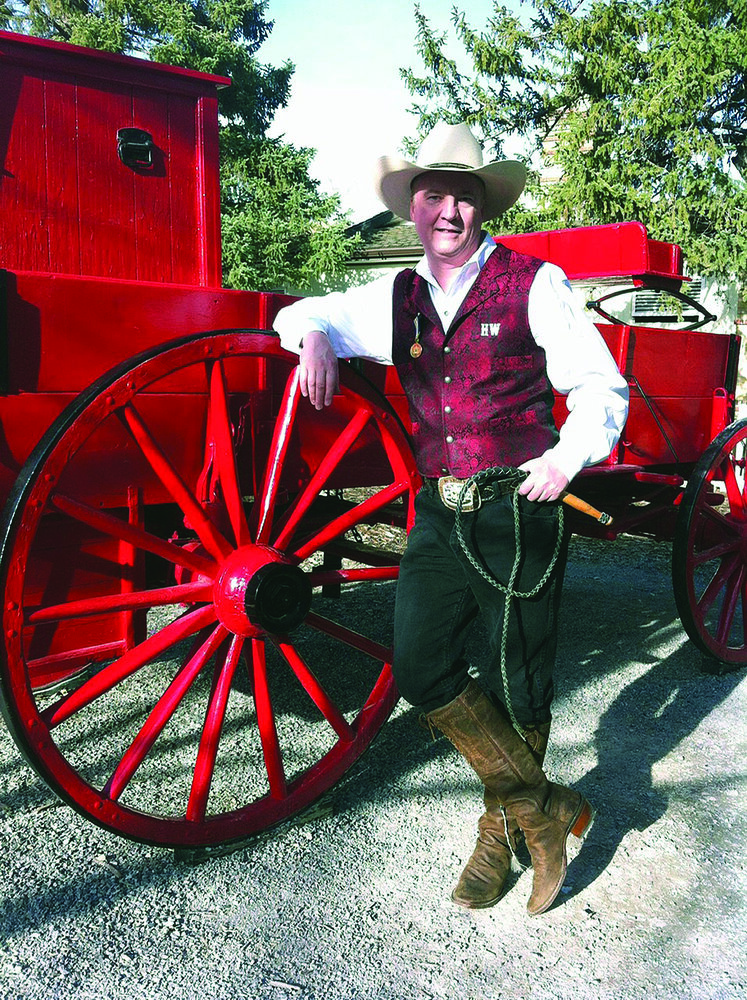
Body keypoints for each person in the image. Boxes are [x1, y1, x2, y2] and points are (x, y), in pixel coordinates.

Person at [273, 121, 628, 916]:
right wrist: (314, 337)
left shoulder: (532, 281)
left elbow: (600, 387)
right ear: (413, 206)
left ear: (480, 206)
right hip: (439, 506)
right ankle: (545, 808)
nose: (447, 211)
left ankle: (499, 831)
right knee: (420, 665)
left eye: (462, 196)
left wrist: (562, 463)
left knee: (518, 677)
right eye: (433, 194)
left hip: (517, 504)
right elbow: (302, 310)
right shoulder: (393, 295)